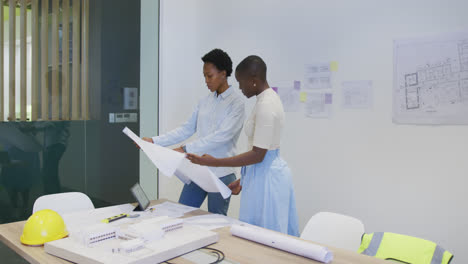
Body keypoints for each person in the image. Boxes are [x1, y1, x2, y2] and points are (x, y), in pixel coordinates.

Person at [187, 55, 299, 236]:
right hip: (261, 174)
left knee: (268, 237)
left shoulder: (267, 104)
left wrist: (215, 162)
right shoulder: (264, 100)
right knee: (257, 235)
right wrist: (244, 180)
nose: (239, 87)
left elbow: (258, 154)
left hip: (268, 178)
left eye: (241, 82)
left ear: (253, 80)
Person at [142, 49, 245, 215]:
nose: (206, 80)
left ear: (223, 74)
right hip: (198, 170)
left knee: (217, 221)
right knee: (182, 213)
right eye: (204, 76)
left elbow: (220, 137)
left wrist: (185, 149)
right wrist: (154, 141)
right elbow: (186, 129)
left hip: (221, 174)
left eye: (209, 76)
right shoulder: (204, 101)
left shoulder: (236, 104)